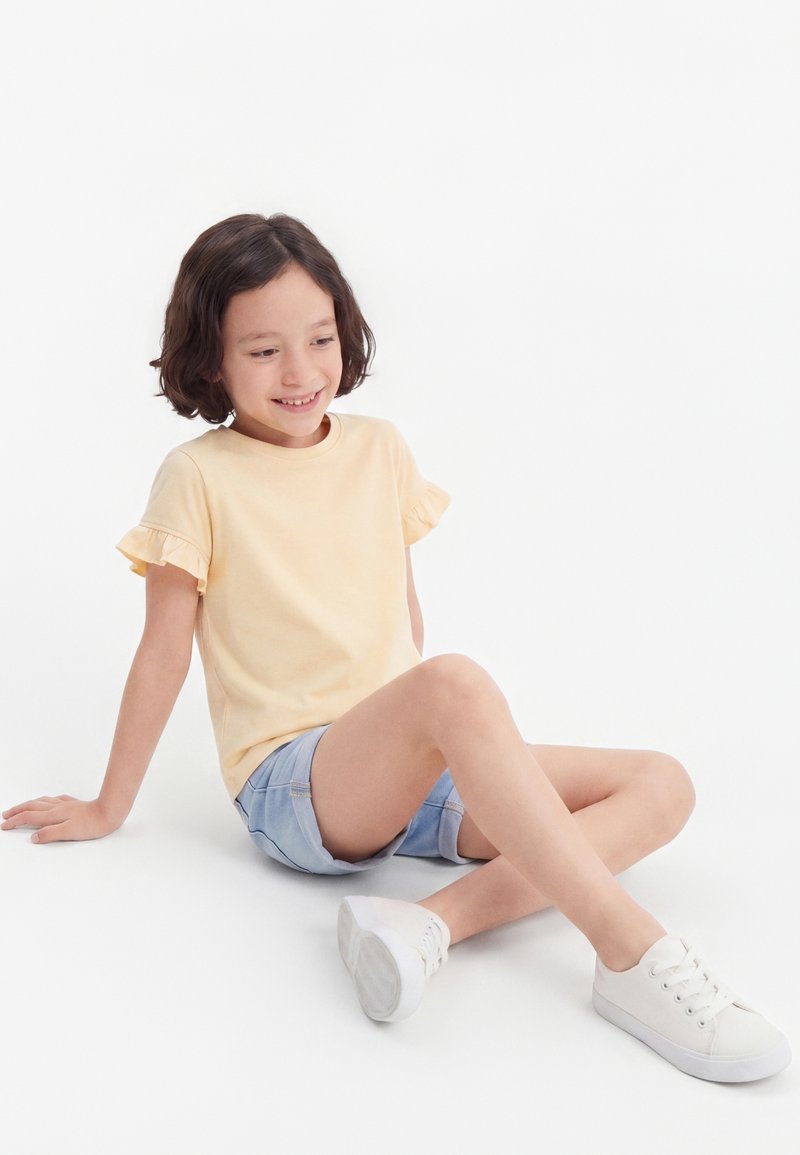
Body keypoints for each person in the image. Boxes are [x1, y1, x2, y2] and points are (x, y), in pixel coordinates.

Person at [2, 213, 790, 1083]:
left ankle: (429, 923)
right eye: (263, 351)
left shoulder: (379, 449)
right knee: (452, 683)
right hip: (296, 786)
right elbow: (162, 654)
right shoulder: (199, 475)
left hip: (408, 764)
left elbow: (399, 615)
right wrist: (110, 805)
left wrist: (443, 751)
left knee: (660, 783)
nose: (301, 372)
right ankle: (630, 953)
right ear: (211, 359)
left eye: (320, 338)